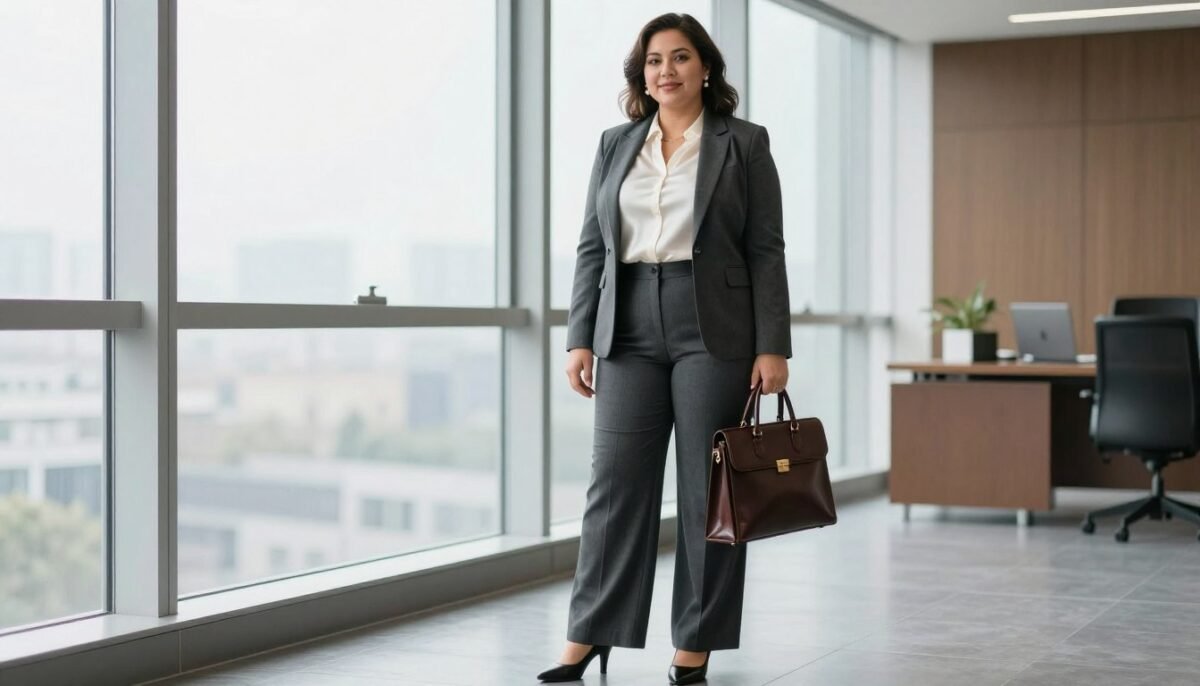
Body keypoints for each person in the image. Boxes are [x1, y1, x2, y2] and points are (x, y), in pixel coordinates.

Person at [536, 12, 791, 686]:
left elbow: (765, 249)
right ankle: (590, 634)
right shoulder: (616, 144)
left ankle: (695, 642)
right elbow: (594, 244)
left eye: (680, 58)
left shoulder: (744, 143)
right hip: (627, 326)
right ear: (640, 73)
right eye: (654, 60)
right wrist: (579, 335)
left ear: (705, 68)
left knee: (712, 491)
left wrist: (774, 346)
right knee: (614, 485)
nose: (666, 71)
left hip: (716, 327)